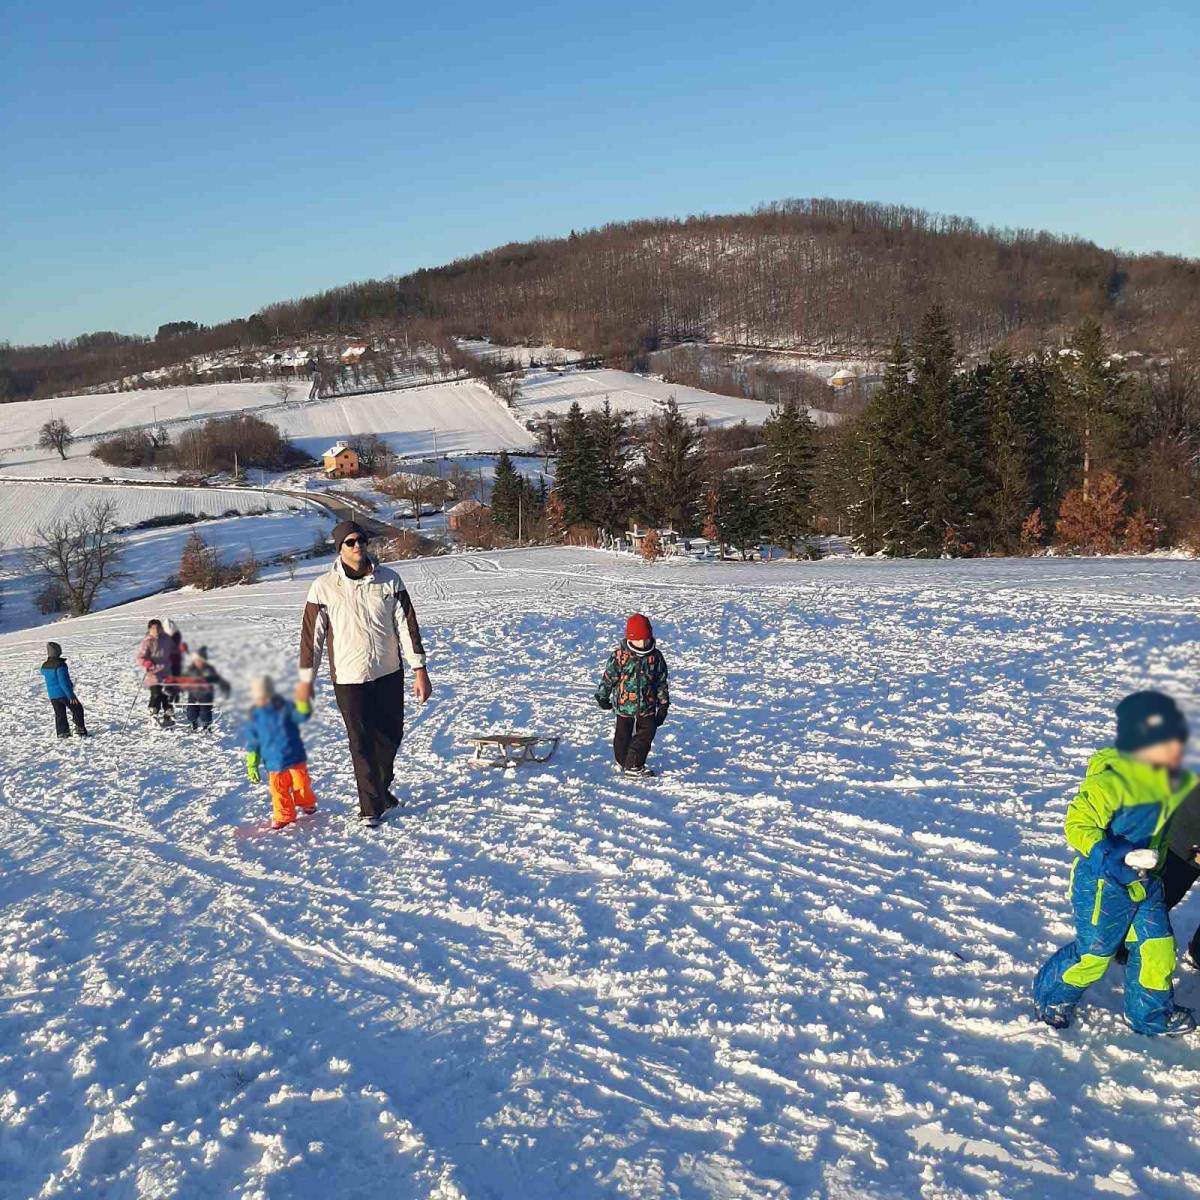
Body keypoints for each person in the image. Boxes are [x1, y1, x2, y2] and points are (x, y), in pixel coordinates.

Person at [1033, 691, 1197, 1036]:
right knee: (1095, 954)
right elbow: (1077, 825)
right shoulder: (1112, 782)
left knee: (1157, 947)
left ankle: (1149, 1016)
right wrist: (1112, 855)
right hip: (1104, 884)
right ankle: (1052, 998)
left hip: (1147, 882)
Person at [297, 520, 432, 828]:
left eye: (361, 540)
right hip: (349, 677)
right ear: (340, 548)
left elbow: (407, 628)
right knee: (360, 742)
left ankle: (381, 790)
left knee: (390, 737)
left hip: (388, 672)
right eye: (350, 542)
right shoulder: (323, 588)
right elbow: (311, 640)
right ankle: (370, 807)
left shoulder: (390, 580)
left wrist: (419, 670)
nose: (358, 545)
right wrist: (305, 681)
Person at [594, 613, 669, 777]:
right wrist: (602, 696)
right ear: (630, 638)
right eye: (638, 640)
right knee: (622, 736)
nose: (642, 644)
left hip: (647, 705)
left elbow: (661, 681)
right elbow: (609, 677)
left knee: (647, 733)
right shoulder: (620, 656)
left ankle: (634, 764)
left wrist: (663, 704)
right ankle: (623, 761)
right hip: (624, 704)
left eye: (646, 640)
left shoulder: (655, 657)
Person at [245, 675, 319, 830]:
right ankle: (284, 815)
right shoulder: (255, 717)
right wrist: (252, 764)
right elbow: (253, 742)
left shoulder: (285, 707)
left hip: (294, 756)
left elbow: (302, 716)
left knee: (301, 783)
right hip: (273, 761)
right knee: (278, 790)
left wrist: (302, 701)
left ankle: (307, 803)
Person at [40, 641, 89, 738]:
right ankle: (80, 730)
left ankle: (63, 733)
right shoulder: (60, 665)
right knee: (77, 709)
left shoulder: (44, 666)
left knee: (60, 714)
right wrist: (71, 695)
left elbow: (44, 674)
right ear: (57, 652)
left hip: (52, 696)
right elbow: (64, 682)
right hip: (63, 694)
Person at [182, 645, 230, 732]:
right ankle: (194, 723)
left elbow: (217, 679)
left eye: (200, 660)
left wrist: (225, 686)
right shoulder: (191, 669)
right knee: (191, 712)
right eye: (197, 660)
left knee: (205, 712)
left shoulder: (209, 669)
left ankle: (206, 726)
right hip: (193, 694)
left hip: (206, 695)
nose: (198, 662)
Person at [136, 619, 175, 726]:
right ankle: (153, 715)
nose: (156, 630)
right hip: (154, 673)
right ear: (150, 629)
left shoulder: (166, 639)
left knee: (167, 694)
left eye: (158, 627)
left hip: (167, 672)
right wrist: (146, 662)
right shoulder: (147, 641)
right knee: (156, 694)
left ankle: (168, 715)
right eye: (153, 628)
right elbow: (140, 657)